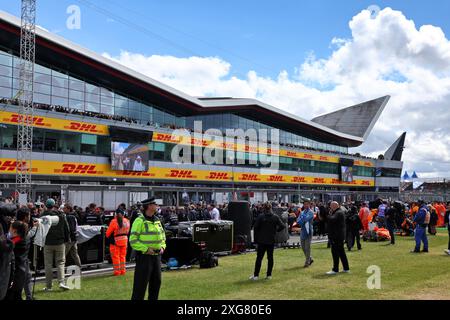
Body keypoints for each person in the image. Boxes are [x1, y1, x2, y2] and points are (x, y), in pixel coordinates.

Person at [130, 197, 166, 300]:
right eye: (155, 204)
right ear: (149, 206)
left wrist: (163, 246)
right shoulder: (139, 221)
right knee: (140, 287)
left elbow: (163, 236)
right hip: (144, 258)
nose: (157, 206)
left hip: (157, 257)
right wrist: (145, 249)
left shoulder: (157, 220)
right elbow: (133, 240)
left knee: (156, 285)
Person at [249, 202, 285, 280]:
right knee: (270, 258)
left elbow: (255, 228)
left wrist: (255, 241)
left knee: (259, 258)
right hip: (271, 240)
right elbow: (282, 226)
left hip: (261, 241)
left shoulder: (261, 216)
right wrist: (275, 231)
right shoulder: (275, 217)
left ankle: (256, 276)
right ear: (271, 208)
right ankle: (269, 275)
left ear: (264, 208)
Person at [41, 198, 71, 291]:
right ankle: (61, 282)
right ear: (54, 205)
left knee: (48, 264)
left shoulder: (42, 215)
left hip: (47, 242)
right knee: (60, 262)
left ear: (46, 205)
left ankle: (49, 286)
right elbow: (66, 228)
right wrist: (67, 239)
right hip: (59, 242)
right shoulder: (61, 215)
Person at [5, 221, 28, 300]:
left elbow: (8, 245)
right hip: (21, 272)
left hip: (15, 273)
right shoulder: (22, 238)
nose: (9, 230)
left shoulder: (15, 241)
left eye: (10, 228)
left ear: (14, 230)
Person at [326, 201, 350, 275]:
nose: (330, 207)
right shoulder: (339, 212)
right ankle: (346, 268)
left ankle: (335, 269)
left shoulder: (338, 212)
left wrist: (328, 215)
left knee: (335, 253)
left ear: (334, 206)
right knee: (341, 252)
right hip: (339, 236)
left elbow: (332, 219)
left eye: (331, 206)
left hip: (336, 236)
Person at [106, 209, 130, 276]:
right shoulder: (127, 221)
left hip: (115, 241)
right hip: (124, 240)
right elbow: (128, 231)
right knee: (123, 256)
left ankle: (117, 272)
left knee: (115, 257)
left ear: (115, 214)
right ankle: (123, 271)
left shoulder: (114, 221)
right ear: (123, 214)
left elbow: (107, 234)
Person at [64, 204, 82, 269]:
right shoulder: (73, 216)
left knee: (63, 255)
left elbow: (71, 228)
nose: (63, 209)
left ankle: (61, 269)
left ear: (68, 209)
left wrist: (68, 237)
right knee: (74, 254)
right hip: (74, 238)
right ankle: (79, 267)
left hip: (70, 239)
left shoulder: (69, 217)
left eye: (65, 208)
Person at [297, 199, 314, 267]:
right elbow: (298, 221)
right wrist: (301, 220)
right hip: (303, 231)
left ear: (309, 204)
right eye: (305, 204)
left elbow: (305, 219)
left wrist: (302, 219)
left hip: (308, 231)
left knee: (307, 247)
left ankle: (307, 262)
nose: (306, 205)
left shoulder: (311, 212)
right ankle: (310, 258)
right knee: (303, 247)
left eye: (307, 204)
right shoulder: (302, 212)